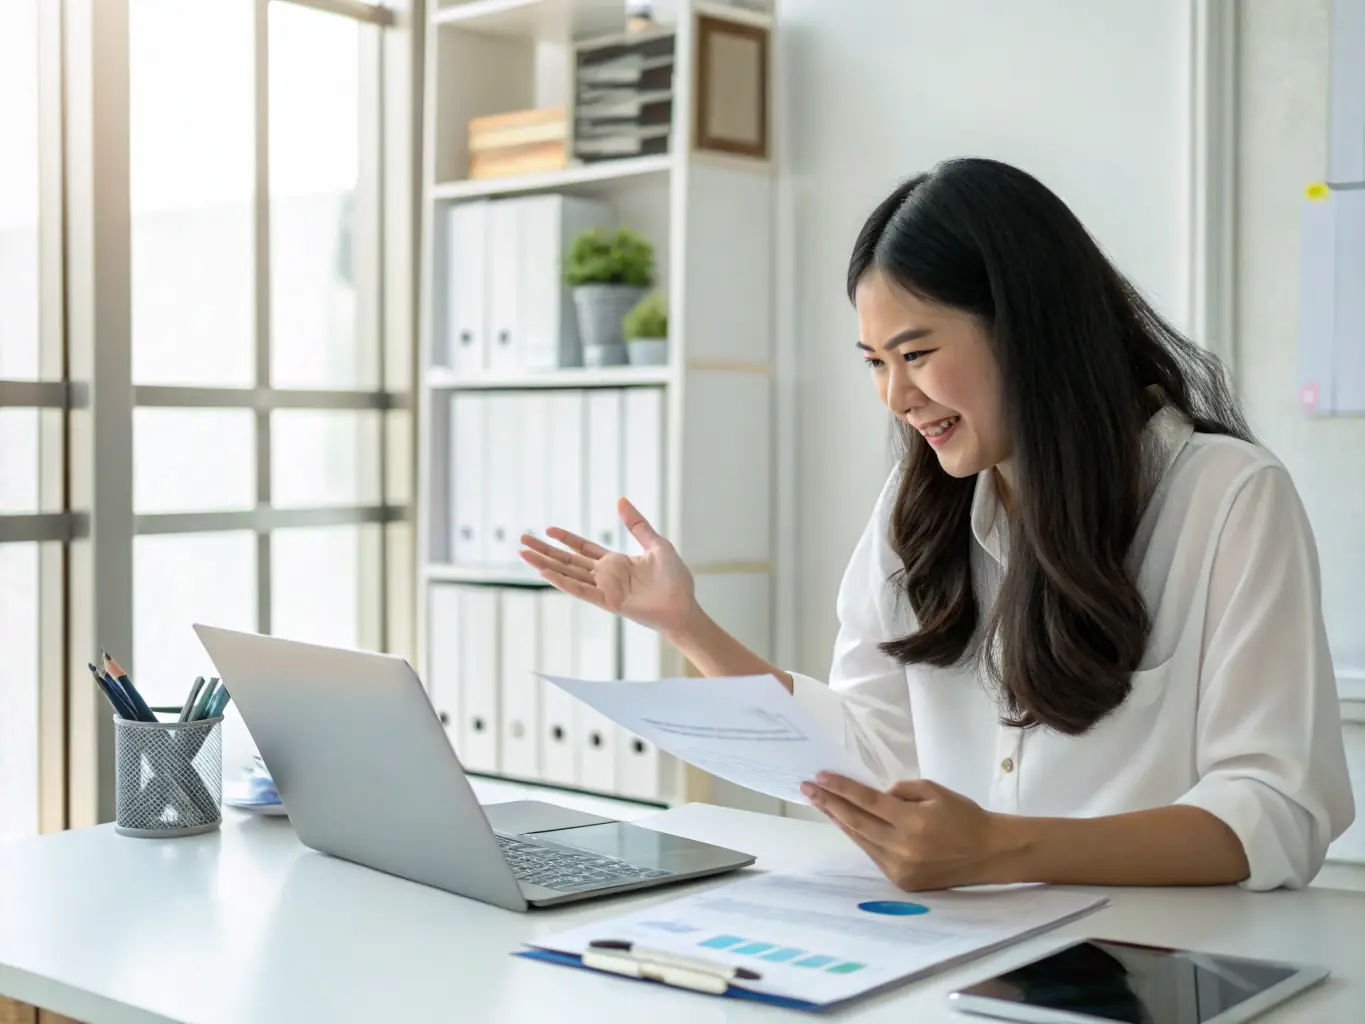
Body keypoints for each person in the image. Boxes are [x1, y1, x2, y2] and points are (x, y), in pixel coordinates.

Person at [519, 157, 1355, 893]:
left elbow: (1276, 808)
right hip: (956, 949)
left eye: (915, 354)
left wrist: (999, 849)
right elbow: (871, 749)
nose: (895, 397)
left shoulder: (1225, 498)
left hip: (1155, 962)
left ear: (1029, 330)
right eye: (875, 363)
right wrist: (686, 625)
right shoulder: (915, 508)